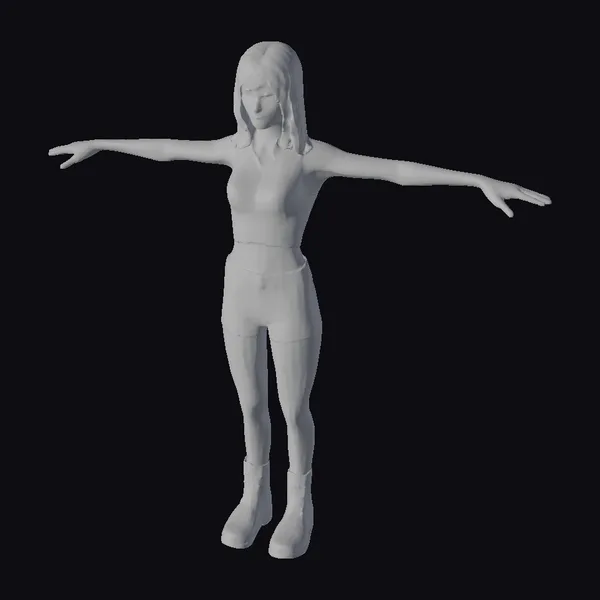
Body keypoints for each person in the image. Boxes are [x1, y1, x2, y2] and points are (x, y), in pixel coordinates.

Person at [48, 40, 551, 559]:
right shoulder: (233, 148)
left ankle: (298, 504)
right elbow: (168, 148)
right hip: (238, 288)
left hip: (288, 289)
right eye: (246, 91)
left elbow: (395, 171)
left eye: (266, 93)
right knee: (249, 404)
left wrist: (475, 180)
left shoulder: (311, 156)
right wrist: (99, 143)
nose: (254, 103)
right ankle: (254, 496)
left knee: (292, 409)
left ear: (288, 94)